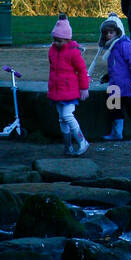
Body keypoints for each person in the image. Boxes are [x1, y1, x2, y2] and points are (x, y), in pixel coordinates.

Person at [99, 15, 131, 142]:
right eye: (106, 33)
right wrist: (108, 76)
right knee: (114, 108)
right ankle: (117, 132)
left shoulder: (125, 45)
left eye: (111, 32)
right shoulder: (112, 48)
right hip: (115, 85)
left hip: (127, 85)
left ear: (118, 32)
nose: (108, 35)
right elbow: (116, 66)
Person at [47, 15, 90, 155]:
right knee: (62, 118)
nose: (56, 43)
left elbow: (82, 71)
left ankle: (82, 141)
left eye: (59, 41)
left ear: (67, 39)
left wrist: (84, 88)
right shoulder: (52, 50)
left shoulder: (73, 53)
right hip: (57, 90)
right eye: (55, 40)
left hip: (69, 91)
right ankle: (68, 146)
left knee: (67, 115)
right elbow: (52, 67)